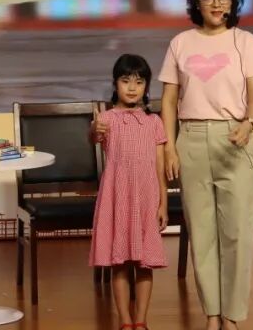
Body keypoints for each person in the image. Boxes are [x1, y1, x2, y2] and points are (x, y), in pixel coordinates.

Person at [158, 0, 253, 330]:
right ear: (197, 3)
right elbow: (169, 100)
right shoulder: (180, 43)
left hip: (234, 138)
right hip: (190, 139)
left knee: (237, 233)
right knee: (201, 235)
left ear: (233, 2)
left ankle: (232, 317)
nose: (216, 3)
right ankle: (211, 315)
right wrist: (170, 148)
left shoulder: (247, 42)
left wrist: (248, 123)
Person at [89, 53, 169, 330]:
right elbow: (94, 137)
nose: (132, 88)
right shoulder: (106, 119)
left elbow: (159, 166)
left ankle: (141, 320)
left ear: (146, 86)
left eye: (139, 82)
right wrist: (93, 129)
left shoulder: (154, 122)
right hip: (118, 197)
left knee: (144, 263)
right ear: (115, 84)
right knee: (119, 262)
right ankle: (124, 320)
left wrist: (163, 203)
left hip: (146, 198)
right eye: (126, 81)